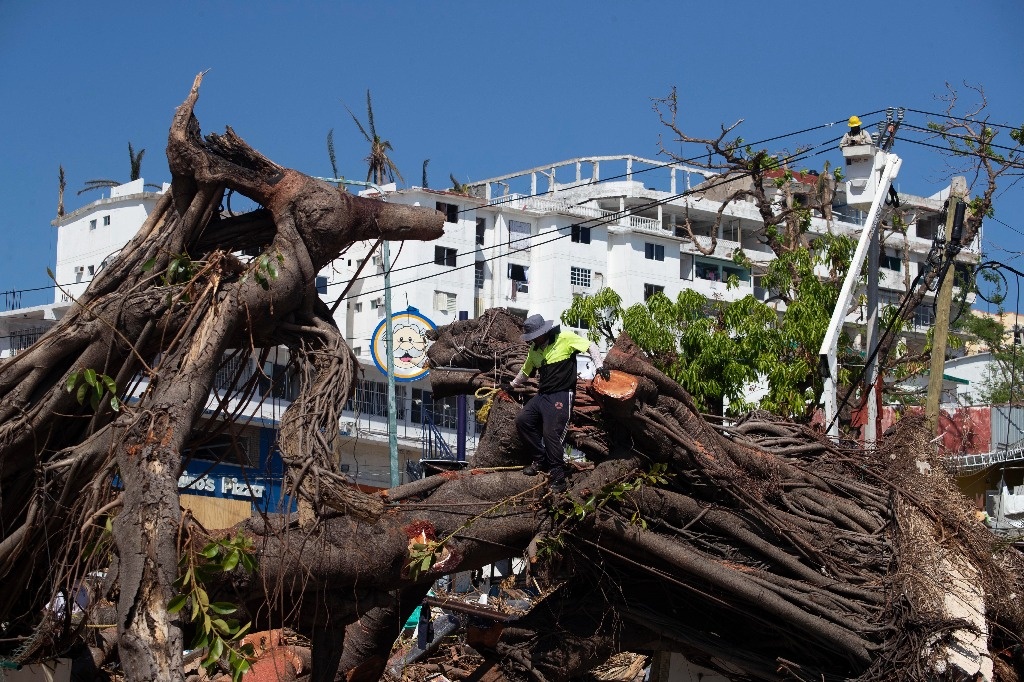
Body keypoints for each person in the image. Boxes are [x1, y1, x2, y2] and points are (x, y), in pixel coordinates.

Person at [507, 314, 606, 492]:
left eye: (535, 336)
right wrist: (511, 385)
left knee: (551, 434)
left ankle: (558, 478)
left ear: (543, 331)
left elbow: (590, 345)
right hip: (543, 395)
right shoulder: (534, 350)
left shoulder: (565, 338)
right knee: (523, 420)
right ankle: (540, 459)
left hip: (561, 395)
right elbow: (525, 371)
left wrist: (599, 366)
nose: (533, 340)